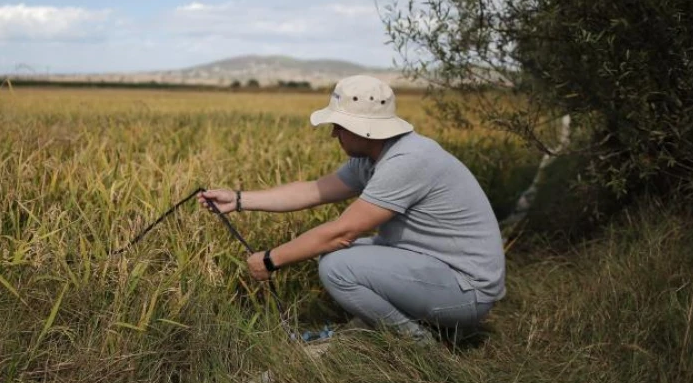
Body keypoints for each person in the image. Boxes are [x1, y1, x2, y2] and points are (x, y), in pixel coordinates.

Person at [198, 75, 505, 341]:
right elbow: (311, 191)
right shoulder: (373, 158)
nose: (333, 134)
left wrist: (268, 260)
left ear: (363, 128)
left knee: (337, 266)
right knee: (337, 255)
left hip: (468, 291)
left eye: (339, 126)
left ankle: (418, 344)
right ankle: (416, 327)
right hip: (437, 268)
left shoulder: (407, 161)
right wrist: (238, 200)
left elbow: (342, 232)